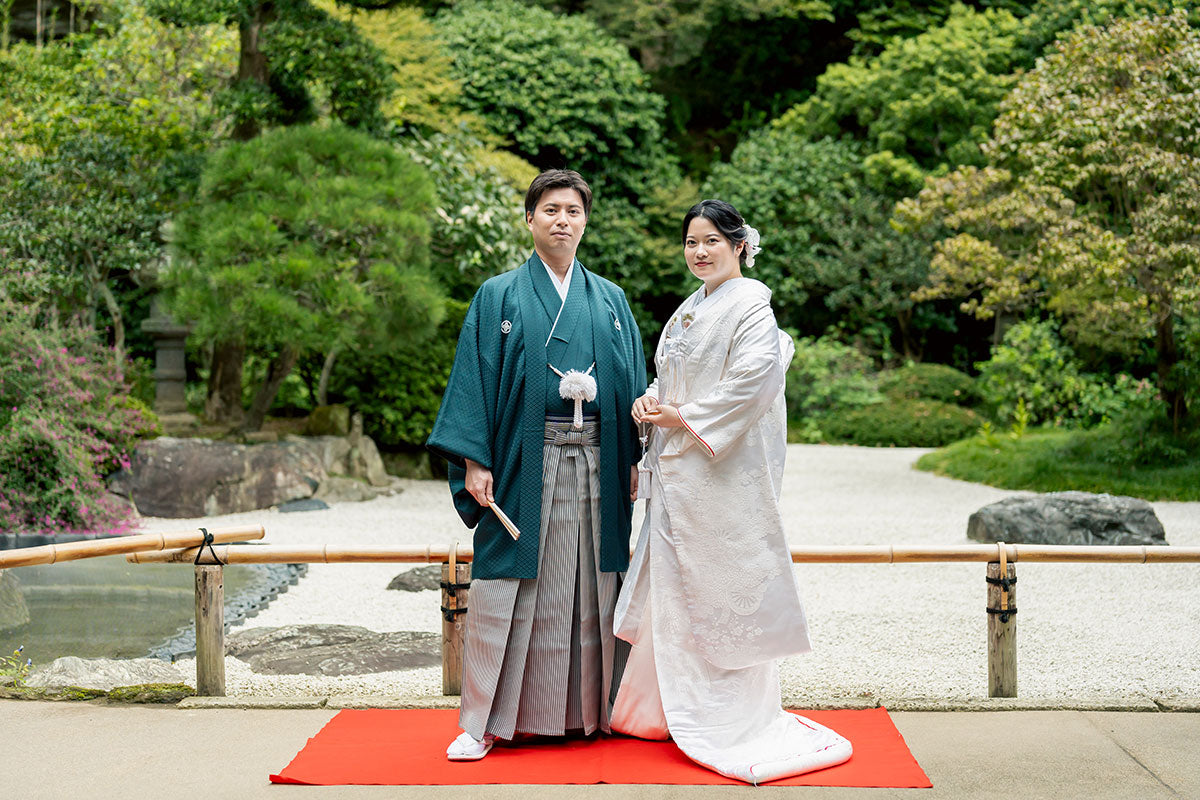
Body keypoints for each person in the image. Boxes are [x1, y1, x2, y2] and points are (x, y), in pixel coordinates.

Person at [610, 199, 852, 784]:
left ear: (740, 245)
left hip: (720, 476)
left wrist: (682, 415)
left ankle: (724, 714)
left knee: (722, 587)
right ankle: (659, 710)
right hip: (680, 470)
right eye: (691, 242)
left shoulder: (751, 309)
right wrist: (650, 400)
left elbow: (753, 381)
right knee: (672, 585)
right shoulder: (689, 310)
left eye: (711, 241)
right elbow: (674, 378)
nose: (699, 252)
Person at [427, 169, 646, 761]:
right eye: (550, 210)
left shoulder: (611, 299)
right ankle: (484, 723)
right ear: (529, 220)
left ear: (585, 221)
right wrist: (475, 460)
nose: (562, 220)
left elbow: (631, 385)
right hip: (526, 460)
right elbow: (472, 381)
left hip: (600, 461)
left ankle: (594, 714)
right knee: (511, 586)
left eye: (573, 211)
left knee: (593, 585)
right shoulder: (497, 295)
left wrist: (634, 458)